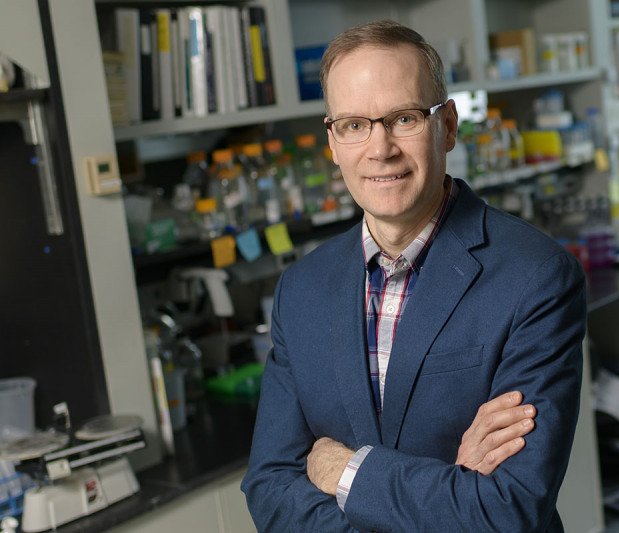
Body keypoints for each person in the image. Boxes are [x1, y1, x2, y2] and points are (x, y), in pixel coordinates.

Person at [242, 20, 586, 532]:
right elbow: (269, 488)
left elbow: (506, 509)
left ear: (447, 125)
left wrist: (343, 471)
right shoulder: (302, 290)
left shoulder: (534, 277)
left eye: (403, 118)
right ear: (332, 142)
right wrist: (448, 489)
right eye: (354, 125)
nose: (380, 150)